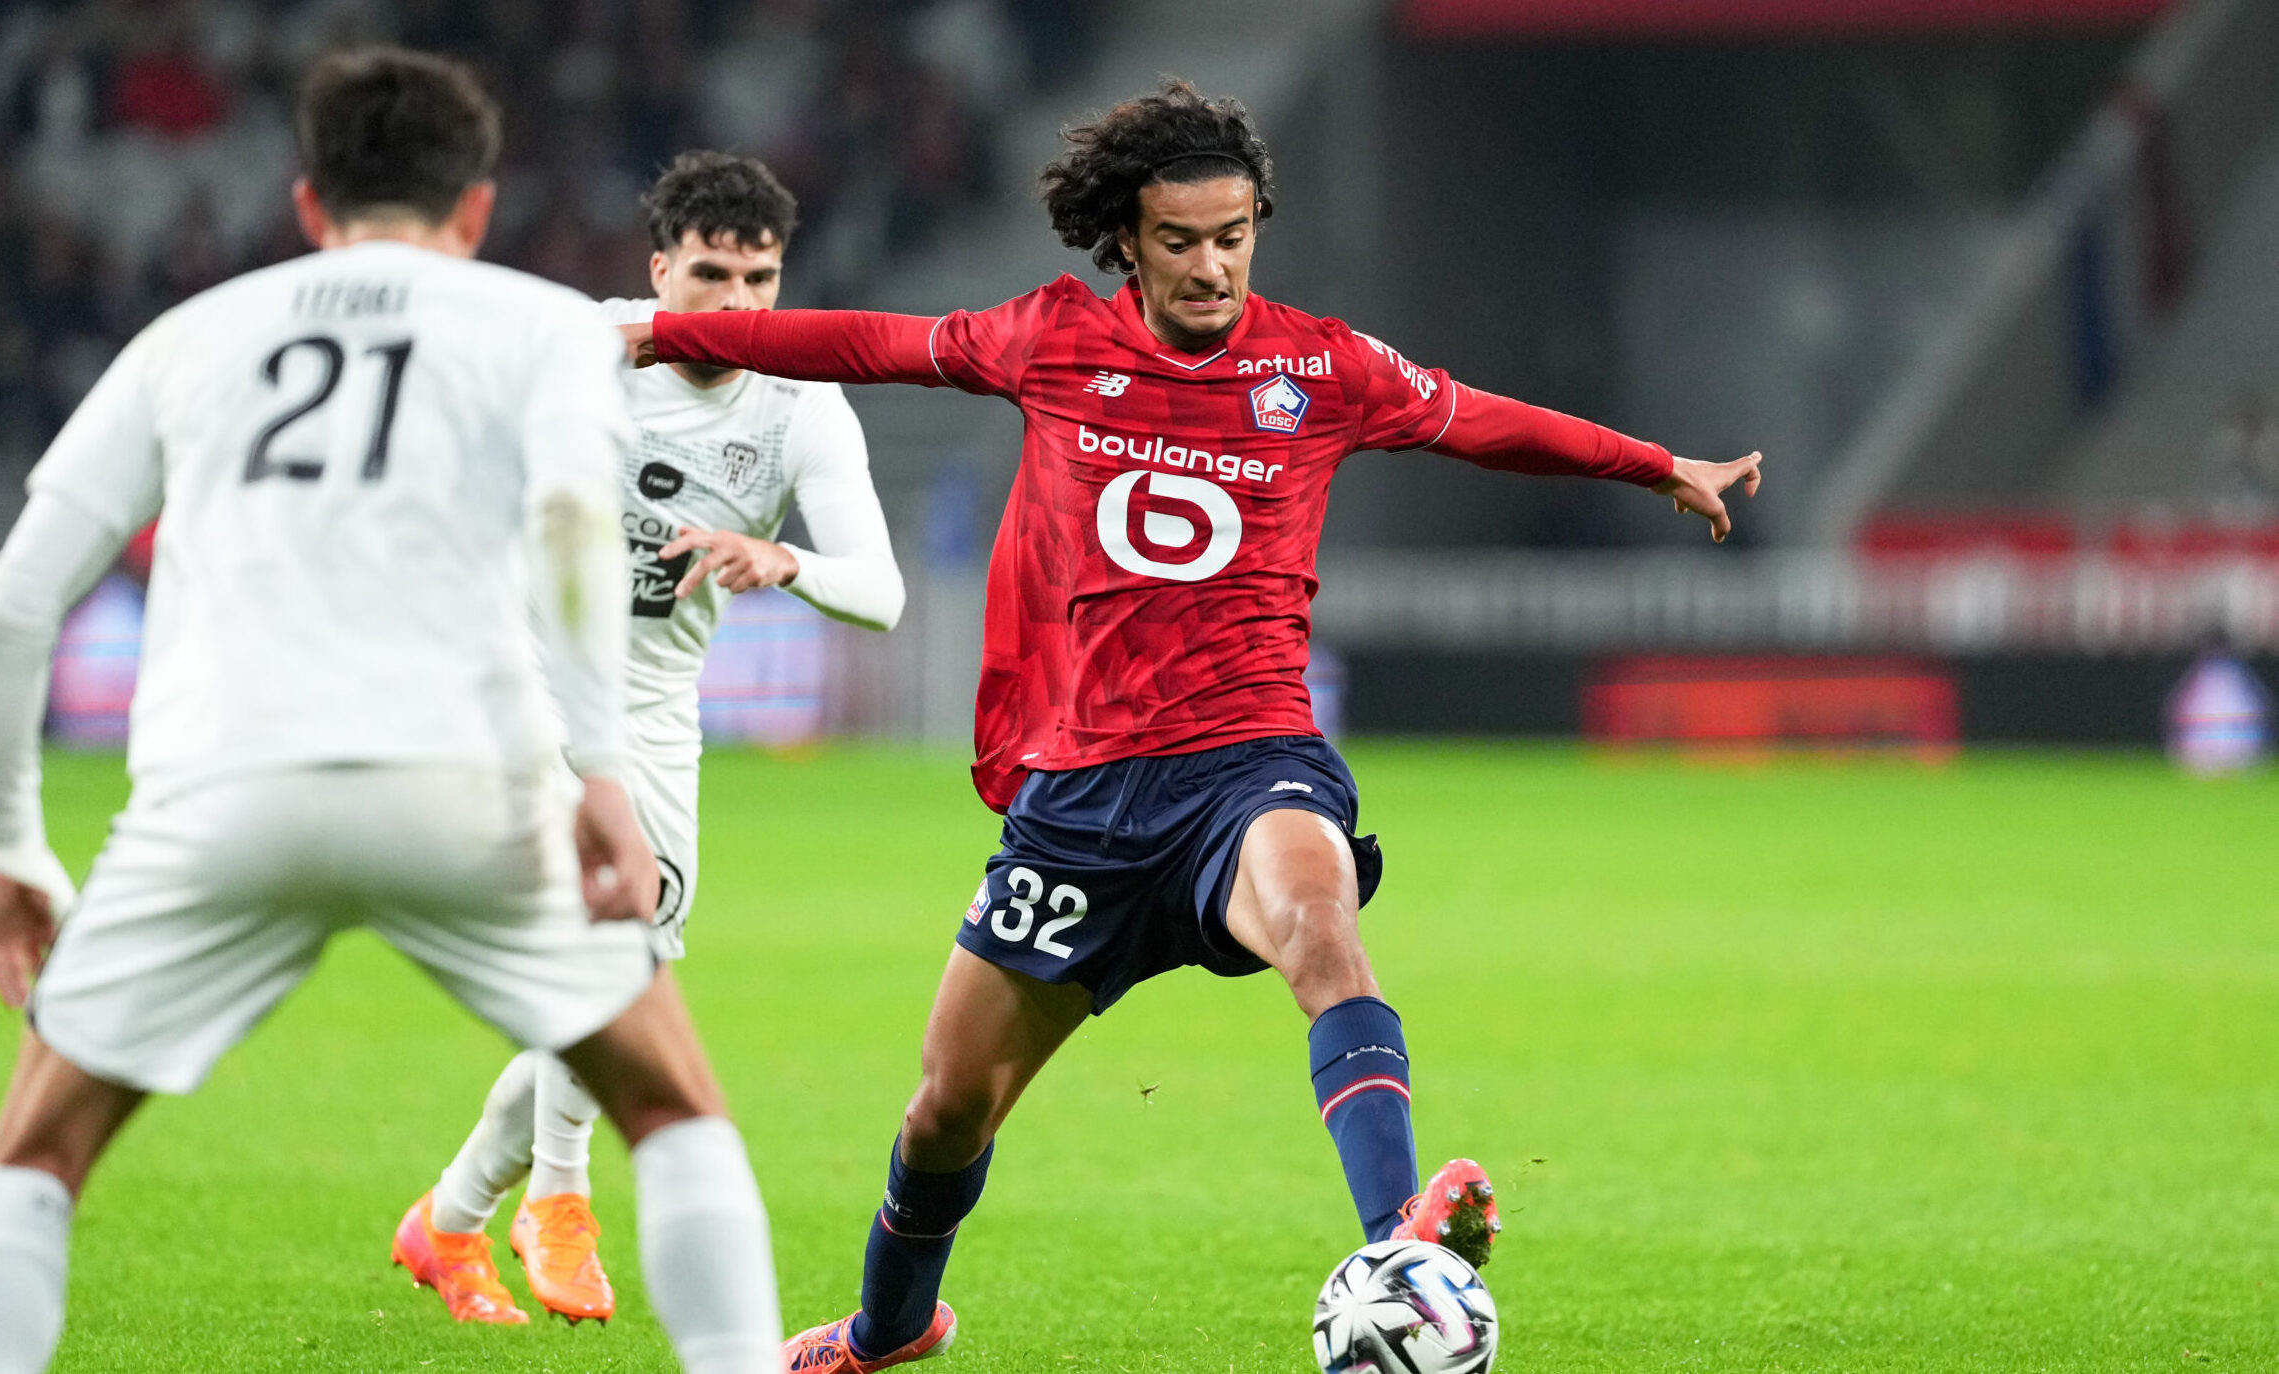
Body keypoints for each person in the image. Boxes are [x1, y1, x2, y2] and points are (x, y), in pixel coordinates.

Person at [624, 81, 1766, 1372]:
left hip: (1249, 763)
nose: (1213, 265)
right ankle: (887, 1329)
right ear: (1127, 238)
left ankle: (1399, 1248)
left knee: (1321, 929)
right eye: (1181, 240)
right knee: (948, 1108)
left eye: (1234, 236)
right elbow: (872, 342)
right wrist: (670, 334)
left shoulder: (1319, 365)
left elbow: (1478, 419)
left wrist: (1655, 463)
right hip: (1081, 797)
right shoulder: (1048, 339)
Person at [0, 49, 781, 1374]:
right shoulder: (541, 328)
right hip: (463, 787)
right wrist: (603, 775)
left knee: (34, 1154)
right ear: (478, 207)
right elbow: (572, 535)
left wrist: (7, 844)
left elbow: (10, 607)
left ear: (309, 201)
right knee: (675, 1114)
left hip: (221, 793)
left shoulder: (192, 334)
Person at [397, 149, 905, 1327]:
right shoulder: (582, 345)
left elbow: (879, 593)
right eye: (711, 276)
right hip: (518, 684)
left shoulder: (799, 402)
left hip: (656, 713)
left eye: (760, 280)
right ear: (659, 269)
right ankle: (560, 1196)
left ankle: (451, 1220)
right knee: (598, 953)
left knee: (627, 971)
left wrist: (784, 559)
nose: (736, 304)